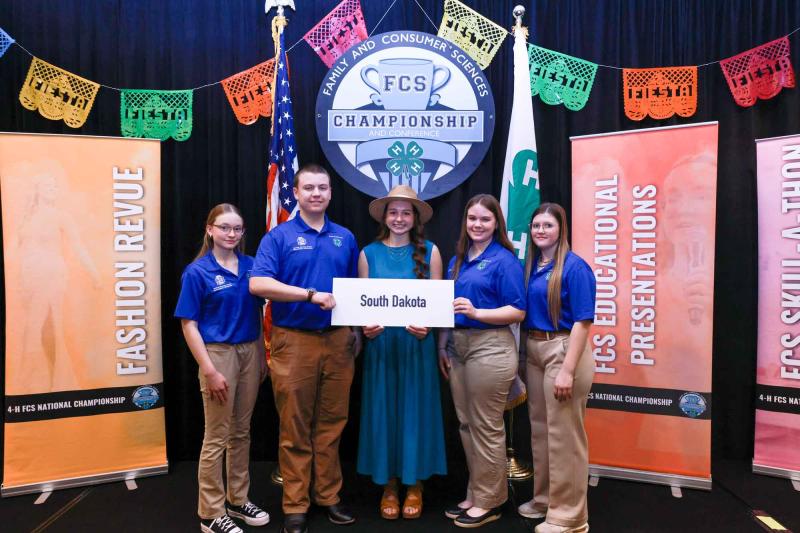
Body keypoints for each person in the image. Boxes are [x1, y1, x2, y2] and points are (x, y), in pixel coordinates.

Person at [249, 164, 359, 533]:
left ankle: (328, 496)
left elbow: (357, 291)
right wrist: (309, 295)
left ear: (330, 193)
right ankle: (295, 503)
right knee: (294, 426)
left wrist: (360, 325)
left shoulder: (345, 237)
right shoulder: (278, 237)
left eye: (322, 188)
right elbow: (259, 284)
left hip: (339, 341)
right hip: (293, 341)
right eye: (308, 187)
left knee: (331, 424)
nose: (316, 194)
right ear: (295, 193)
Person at [174, 203, 270, 533]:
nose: (231, 234)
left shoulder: (252, 266)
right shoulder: (197, 272)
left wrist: (260, 356)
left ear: (243, 233)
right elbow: (189, 325)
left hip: (249, 352)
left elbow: (257, 316)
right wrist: (210, 370)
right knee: (217, 436)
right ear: (210, 229)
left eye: (237, 229)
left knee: (241, 432)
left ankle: (237, 499)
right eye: (224, 227)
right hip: (217, 355)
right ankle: (211, 512)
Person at [357, 185, 447, 520]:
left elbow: (438, 307)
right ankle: (389, 485)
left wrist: (433, 331)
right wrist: (365, 328)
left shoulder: (432, 251)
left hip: (416, 347)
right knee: (384, 413)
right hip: (381, 347)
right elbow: (361, 305)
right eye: (393, 212)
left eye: (405, 213)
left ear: (415, 218)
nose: (398, 218)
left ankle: (415, 485)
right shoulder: (367, 254)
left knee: (414, 413)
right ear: (384, 216)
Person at [437, 194, 526, 528]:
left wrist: (478, 312)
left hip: (491, 346)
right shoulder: (457, 260)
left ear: (496, 224)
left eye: (485, 220)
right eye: (472, 219)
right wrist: (442, 346)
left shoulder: (505, 260)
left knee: (487, 425)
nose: (477, 225)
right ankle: (477, 491)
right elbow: (445, 307)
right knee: (465, 422)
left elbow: (517, 310)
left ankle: (491, 500)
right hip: (458, 347)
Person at [517, 202, 595, 533]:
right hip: (535, 349)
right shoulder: (534, 265)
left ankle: (570, 517)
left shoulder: (575, 268)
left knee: (565, 435)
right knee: (541, 431)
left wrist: (567, 369)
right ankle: (546, 499)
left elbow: (583, 321)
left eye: (547, 225)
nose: (540, 231)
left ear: (561, 228)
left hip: (563, 349)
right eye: (536, 225)